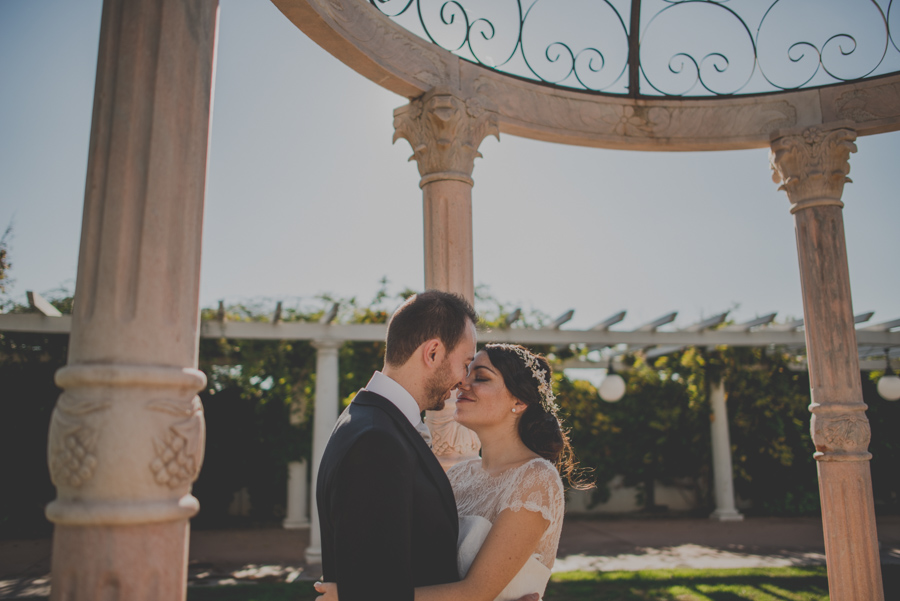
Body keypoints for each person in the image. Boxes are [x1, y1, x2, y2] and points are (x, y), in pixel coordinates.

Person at [315, 342, 591, 601]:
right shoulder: (459, 475)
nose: (462, 383)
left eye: (481, 377)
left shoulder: (535, 478)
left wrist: (360, 596)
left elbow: (475, 592)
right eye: (466, 373)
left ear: (519, 401)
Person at [313, 290, 478, 601]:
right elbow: (379, 591)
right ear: (432, 353)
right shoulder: (377, 442)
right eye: (465, 363)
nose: (463, 380)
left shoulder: (365, 419)